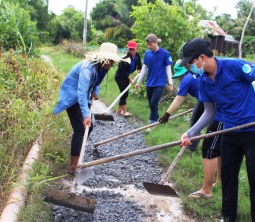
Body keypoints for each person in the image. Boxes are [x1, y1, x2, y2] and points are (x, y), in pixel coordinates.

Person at [179, 38, 255, 222]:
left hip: (253, 129)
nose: (190, 66)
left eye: (191, 62)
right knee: (228, 178)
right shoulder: (204, 82)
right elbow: (209, 112)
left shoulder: (234, 66)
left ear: (202, 57)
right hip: (228, 131)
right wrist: (191, 132)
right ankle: (228, 217)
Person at [53, 42, 130, 174]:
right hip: (72, 96)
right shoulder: (87, 68)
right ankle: (73, 166)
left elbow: (97, 82)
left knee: (89, 128)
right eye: (111, 61)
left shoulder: (103, 67)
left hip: (81, 96)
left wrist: (95, 92)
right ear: (104, 59)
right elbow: (81, 92)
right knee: (80, 128)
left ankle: (78, 153)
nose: (112, 65)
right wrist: (86, 115)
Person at [159, 61, 223, 199]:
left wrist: (167, 114)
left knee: (211, 142)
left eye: (179, 75)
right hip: (207, 101)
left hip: (213, 106)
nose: (180, 78)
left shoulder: (187, 79)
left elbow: (179, 99)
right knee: (197, 127)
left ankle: (192, 149)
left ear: (184, 73)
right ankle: (192, 147)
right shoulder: (193, 77)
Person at [135, 33, 174, 124]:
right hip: (150, 82)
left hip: (160, 82)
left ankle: (152, 122)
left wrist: (170, 83)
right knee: (151, 104)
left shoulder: (165, 53)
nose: (149, 47)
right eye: (148, 45)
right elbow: (144, 68)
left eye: (150, 44)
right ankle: (156, 120)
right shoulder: (147, 54)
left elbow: (168, 69)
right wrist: (138, 82)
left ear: (156, 42)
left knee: (153, 103)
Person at [115, 40, 142, 116]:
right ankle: (124, 111)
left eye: (133, 49)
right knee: (124, 93)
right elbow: (122, 70)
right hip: (120, 76)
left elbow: (139, 65)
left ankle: (119, 110)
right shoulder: (125, 58)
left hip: (127, 76)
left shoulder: (137, 56)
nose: (132, 51)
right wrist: (129, 78)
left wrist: (139, 70)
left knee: (124, 93)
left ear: (136, 49)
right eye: (130, 49)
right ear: (128, 49)